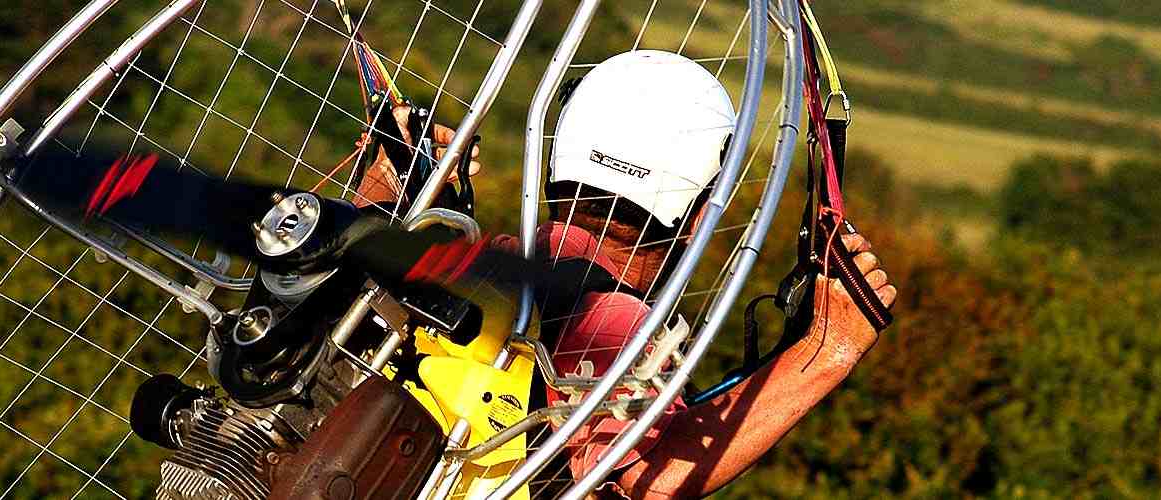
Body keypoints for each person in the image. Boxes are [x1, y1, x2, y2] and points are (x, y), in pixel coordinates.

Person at [344, 50, 897, 498]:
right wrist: (827, 351)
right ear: (700, 211)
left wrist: (372, 198)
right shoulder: (610, 321)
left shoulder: (469, 259)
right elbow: (651, 480)